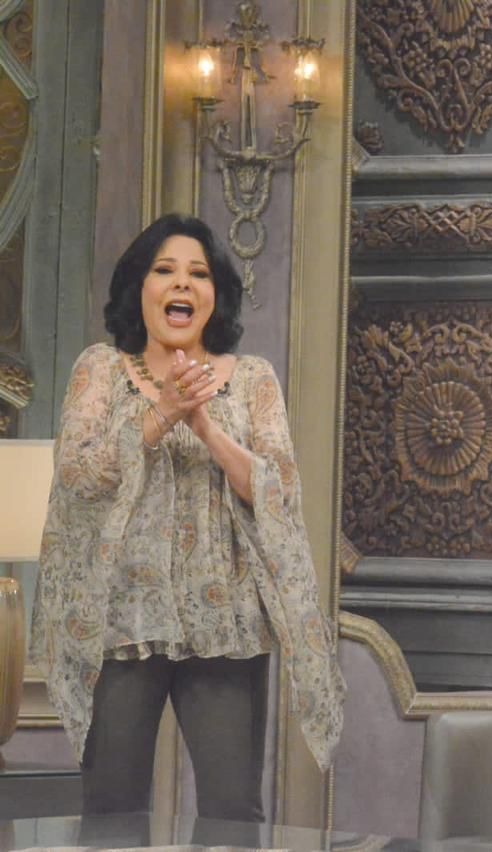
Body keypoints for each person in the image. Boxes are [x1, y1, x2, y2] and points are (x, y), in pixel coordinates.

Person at [30, 214, 344, 824]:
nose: (182, 284)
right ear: (139, 288)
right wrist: (161, 414)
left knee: (232, 811)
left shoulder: (251, 378)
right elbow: (77, 473)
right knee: (112, 810)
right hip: (123, 621)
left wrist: (203, 424)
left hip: (227, 623)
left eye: (198, 274)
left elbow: (277, 491)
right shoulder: (101, 368)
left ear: (214, 295)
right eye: (165, 270)